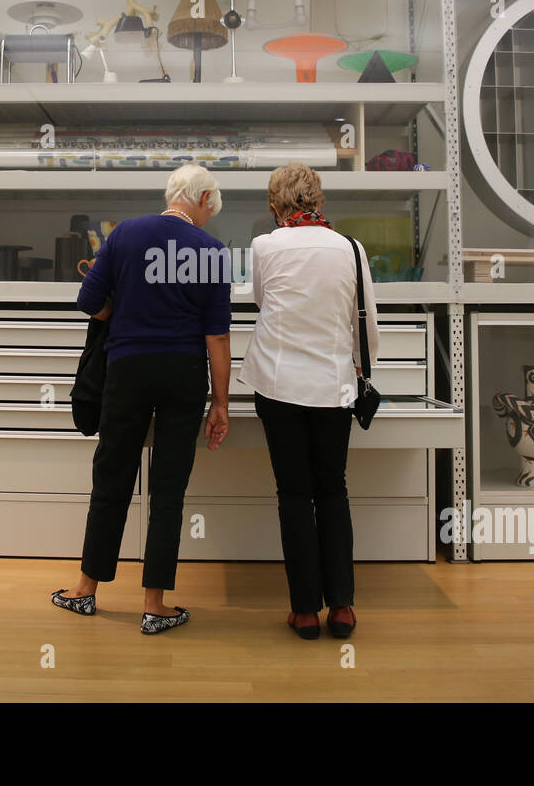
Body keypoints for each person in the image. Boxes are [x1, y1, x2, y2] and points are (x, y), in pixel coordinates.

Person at [52, 164, 232, 635]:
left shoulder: (127, 234)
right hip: (183, 374)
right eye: (211, 205)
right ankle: (155, 605)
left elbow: (89, 299)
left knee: (112, 475)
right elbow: (217, 338)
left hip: (127, 369)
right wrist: (220, 403)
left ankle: (85, 591)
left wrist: (119, 312)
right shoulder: (211, 252)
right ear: (202, 198)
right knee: (168, 487)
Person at [239, 162, 379, 640]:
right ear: (320, 201)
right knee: (333, 491)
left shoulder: (265, 246)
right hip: (333, 387)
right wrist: (358, 368)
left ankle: (303, 611)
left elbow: (263, 301)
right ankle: (342, 607)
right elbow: (367, 323)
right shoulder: (351, 249)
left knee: (294, 495)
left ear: (275, 206)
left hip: (278, 386)